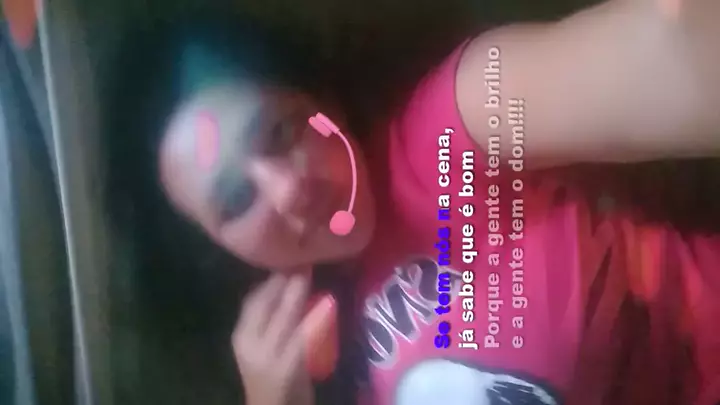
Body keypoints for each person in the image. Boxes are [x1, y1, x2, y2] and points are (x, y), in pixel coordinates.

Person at [103, 0, 720, 404]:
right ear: (221, 250)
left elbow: (672, 49)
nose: (287, 189)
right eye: (237, 200)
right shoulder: (302, 370)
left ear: (322, 101)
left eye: (282, 131)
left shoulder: (455, 125)